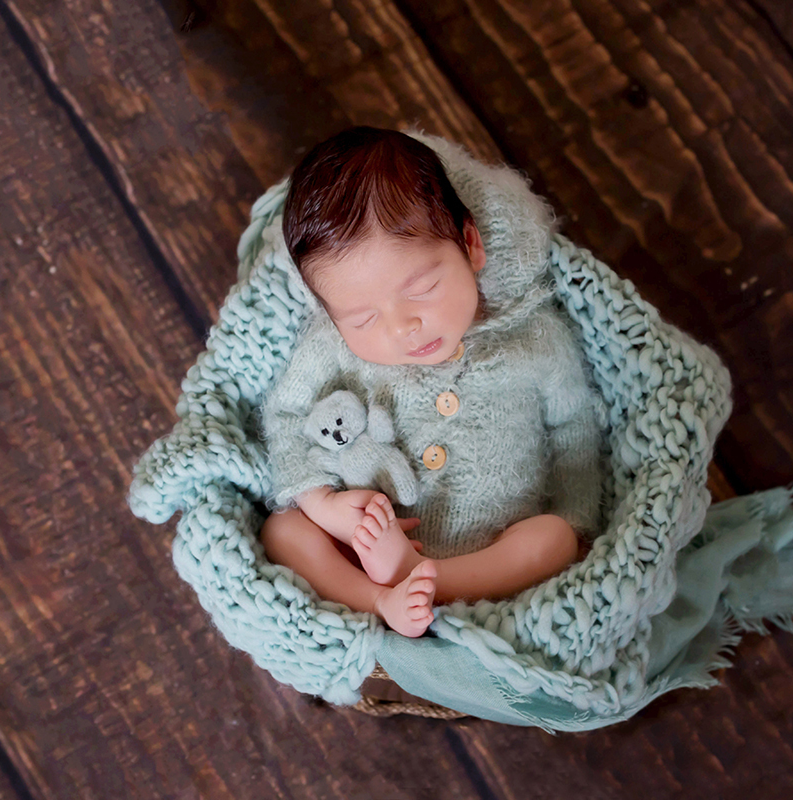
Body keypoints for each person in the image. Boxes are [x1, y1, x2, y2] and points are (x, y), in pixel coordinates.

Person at [258, 127, 607, 638]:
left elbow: (575, 425)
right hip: (364, 550)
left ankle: (427, 583)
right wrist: (323, 506)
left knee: (551, 540)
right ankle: (381, 600)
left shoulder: (535, 337)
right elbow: (286, 416)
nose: (402, 328)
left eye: (422, 288)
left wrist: (579, 526)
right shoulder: (328, 347)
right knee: (283, 531)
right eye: (362, 319)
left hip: (495, 553)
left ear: (470, 244)